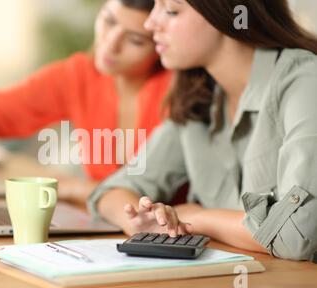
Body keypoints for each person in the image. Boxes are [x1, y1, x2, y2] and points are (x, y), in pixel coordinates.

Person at [88, 0, 317, 261]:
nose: (150, 23)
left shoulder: (305, 81)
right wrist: (144, 220)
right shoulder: (197, 96)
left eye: (171, 10)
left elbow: (296, 235)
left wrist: (195, 217)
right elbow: (110, 191)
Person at [0, 0, 176, 205]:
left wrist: (74, 187)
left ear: (161, 44)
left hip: (172, 240)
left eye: (135, 40)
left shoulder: (179, 91)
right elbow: (7, 108)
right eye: (108, 21)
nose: (111, 44)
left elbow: (146, 196)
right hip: (106, 229)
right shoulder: (80, 74)